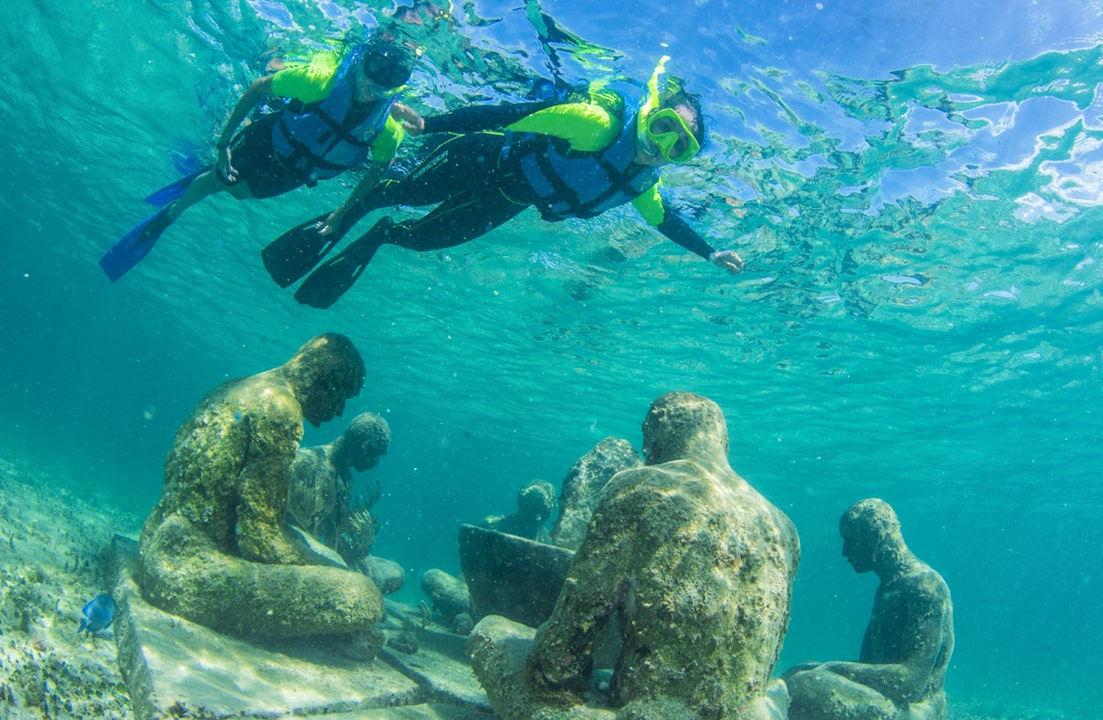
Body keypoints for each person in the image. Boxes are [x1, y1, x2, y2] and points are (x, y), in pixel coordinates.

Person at [261, 56, 745, 308]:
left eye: (677, 147)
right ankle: (354, 210)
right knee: (402, 191)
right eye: (663, 127)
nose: (659, 147)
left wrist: (710, 252)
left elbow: (665, 221)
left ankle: (379, 232)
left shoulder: (642, 181)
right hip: (482, 156)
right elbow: (514, 113)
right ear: (650, 114)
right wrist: (433, 125)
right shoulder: (596, 124)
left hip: (508, 200)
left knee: (421, 241)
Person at [468, 392, 799, 720]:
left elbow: (561, 649)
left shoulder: (638, 488)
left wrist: (567, 686)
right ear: (723, 440)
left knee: (493, 631)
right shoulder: (783, 528)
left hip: (647, 713)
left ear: (655, 435)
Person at [100, 37, 425, 281]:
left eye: (392, 77)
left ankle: (210, 176)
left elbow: (378, 171)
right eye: (374, 69)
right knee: (219, 181)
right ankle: (170, 214)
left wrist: (342, 212)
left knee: (239, 192)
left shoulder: (388, 132)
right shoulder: (317, 82)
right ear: (363, 61)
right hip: (268, 137)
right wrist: (223, 145)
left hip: (297, 170)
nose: (377, 82)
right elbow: (257, 88)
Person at [137, 334, 384, 640]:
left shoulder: (237, 387)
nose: (338, 412)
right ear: (324, 381)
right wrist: (324, 568)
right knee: (362, 596)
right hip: (186, 568)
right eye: (341, 397)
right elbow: (259, 538)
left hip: (156, 537)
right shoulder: (281, 411)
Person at [782, 499, 954, 720]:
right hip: (894, 700)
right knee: (797, 672)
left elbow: (911, 682)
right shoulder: (889, 587)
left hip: (916, 710)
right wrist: (826, 668)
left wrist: (833, 669)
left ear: (874, 538)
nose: (844, 551)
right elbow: (870, 665)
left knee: (804, 684)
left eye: (851, 540)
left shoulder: (925, 586)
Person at [286, 411, 391, 549]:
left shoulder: (345, 478)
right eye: (373, 454)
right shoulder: (307, 463)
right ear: (360, 446)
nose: (375, 462)